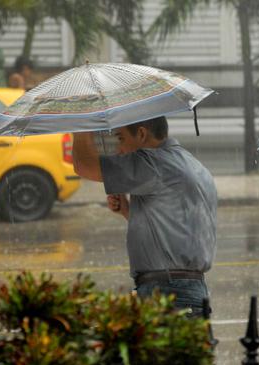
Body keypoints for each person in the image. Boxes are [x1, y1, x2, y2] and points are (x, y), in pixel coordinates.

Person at [72, 116, 217, 317]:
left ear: (141, 134)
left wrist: (81, 122)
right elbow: (176, 231)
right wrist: (127, 211)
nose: (118, 150)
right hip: (188, 292)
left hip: (168, 292)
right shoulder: (191, 165)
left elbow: (84, 165)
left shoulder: (155, 163)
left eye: (120, 138)